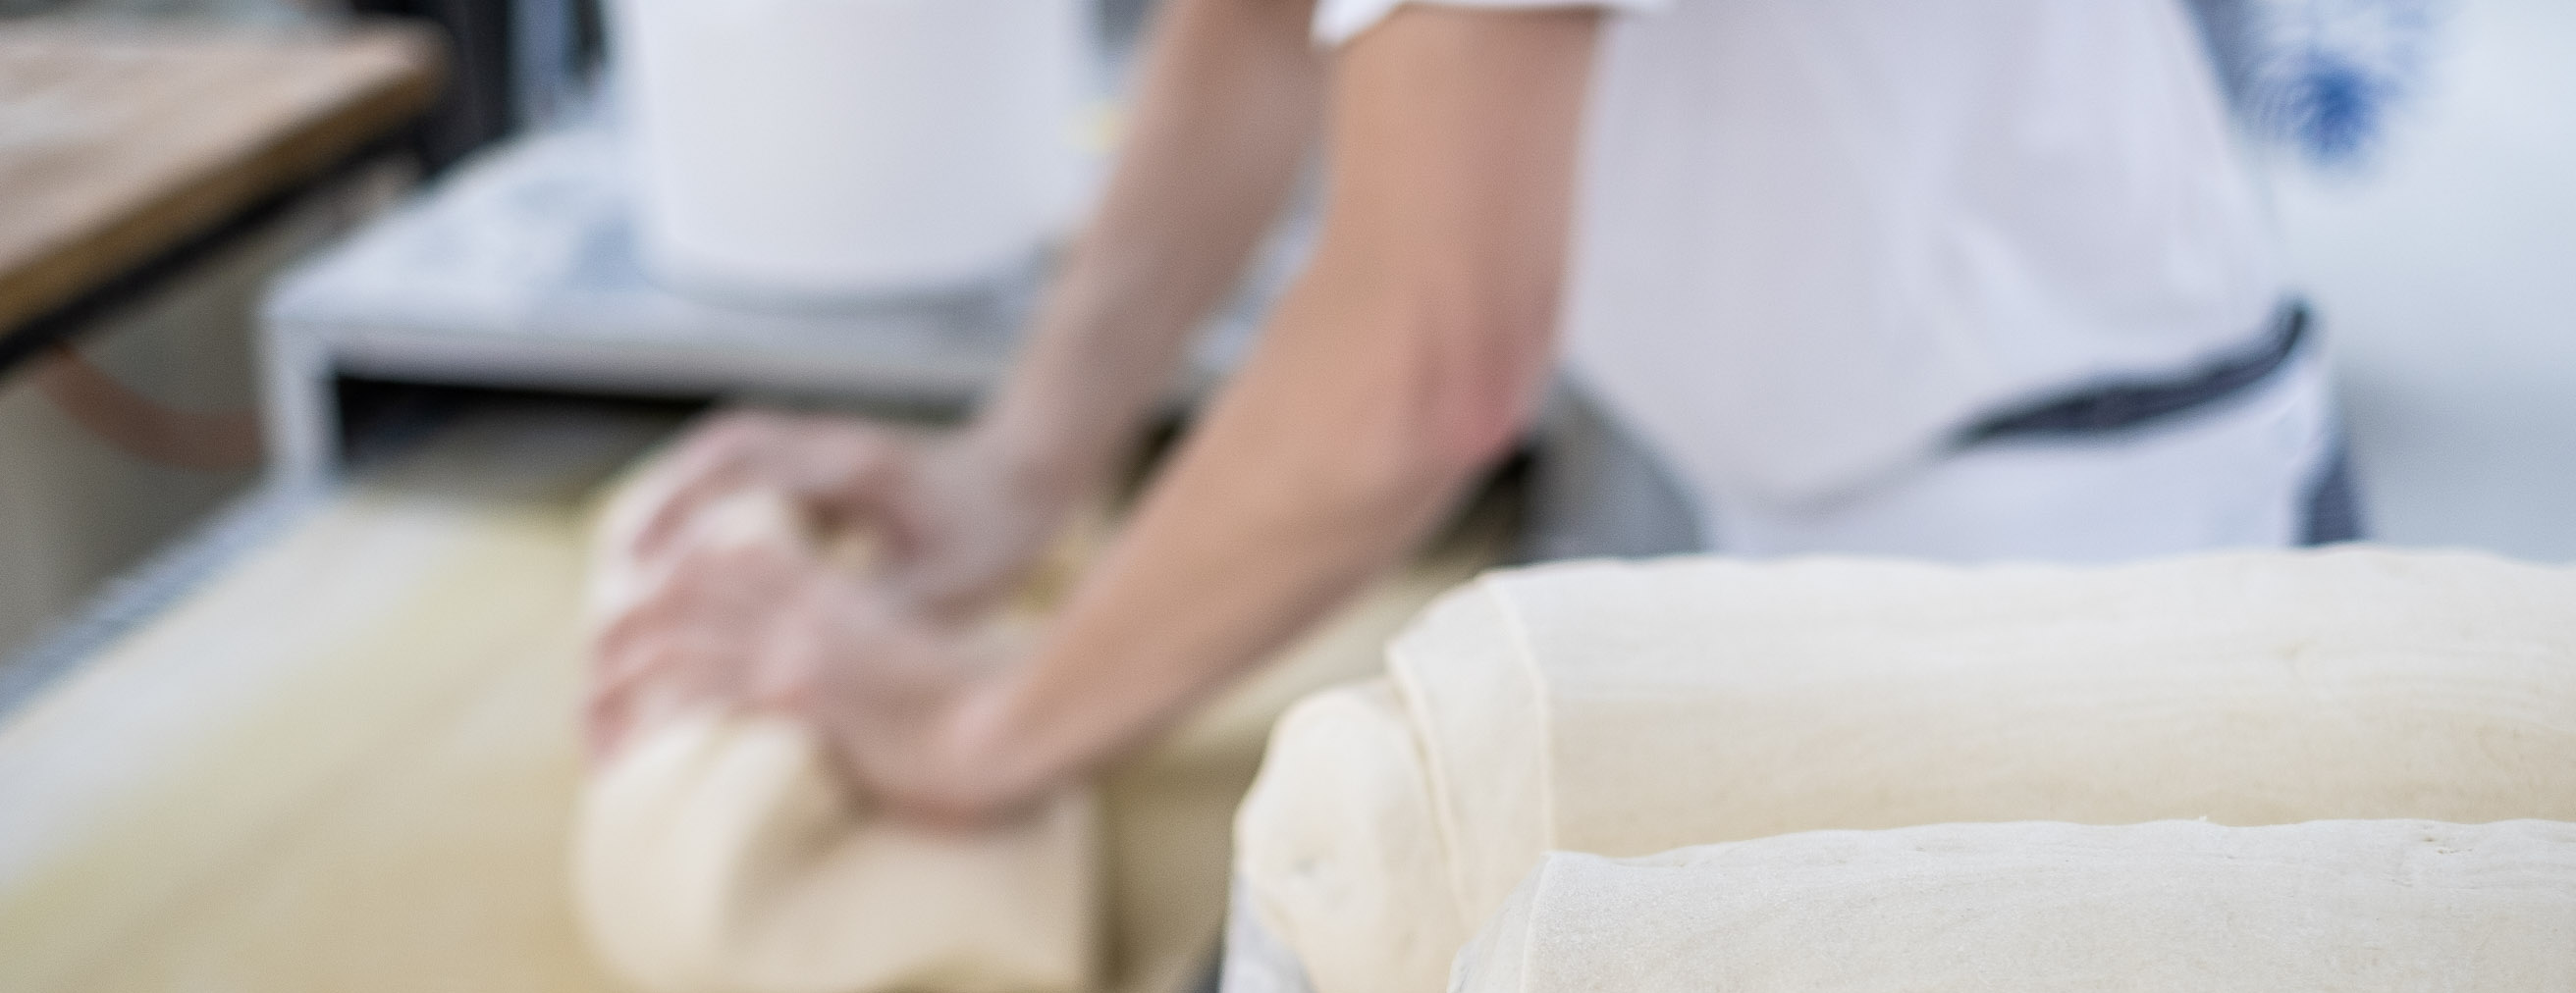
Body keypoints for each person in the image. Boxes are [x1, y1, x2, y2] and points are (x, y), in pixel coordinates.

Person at [590, 0, 2356, 828]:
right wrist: (1033, 452)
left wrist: (984, 734)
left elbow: (1430, 365)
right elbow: (1264, 30)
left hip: (2098, 575)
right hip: (1885, 506)